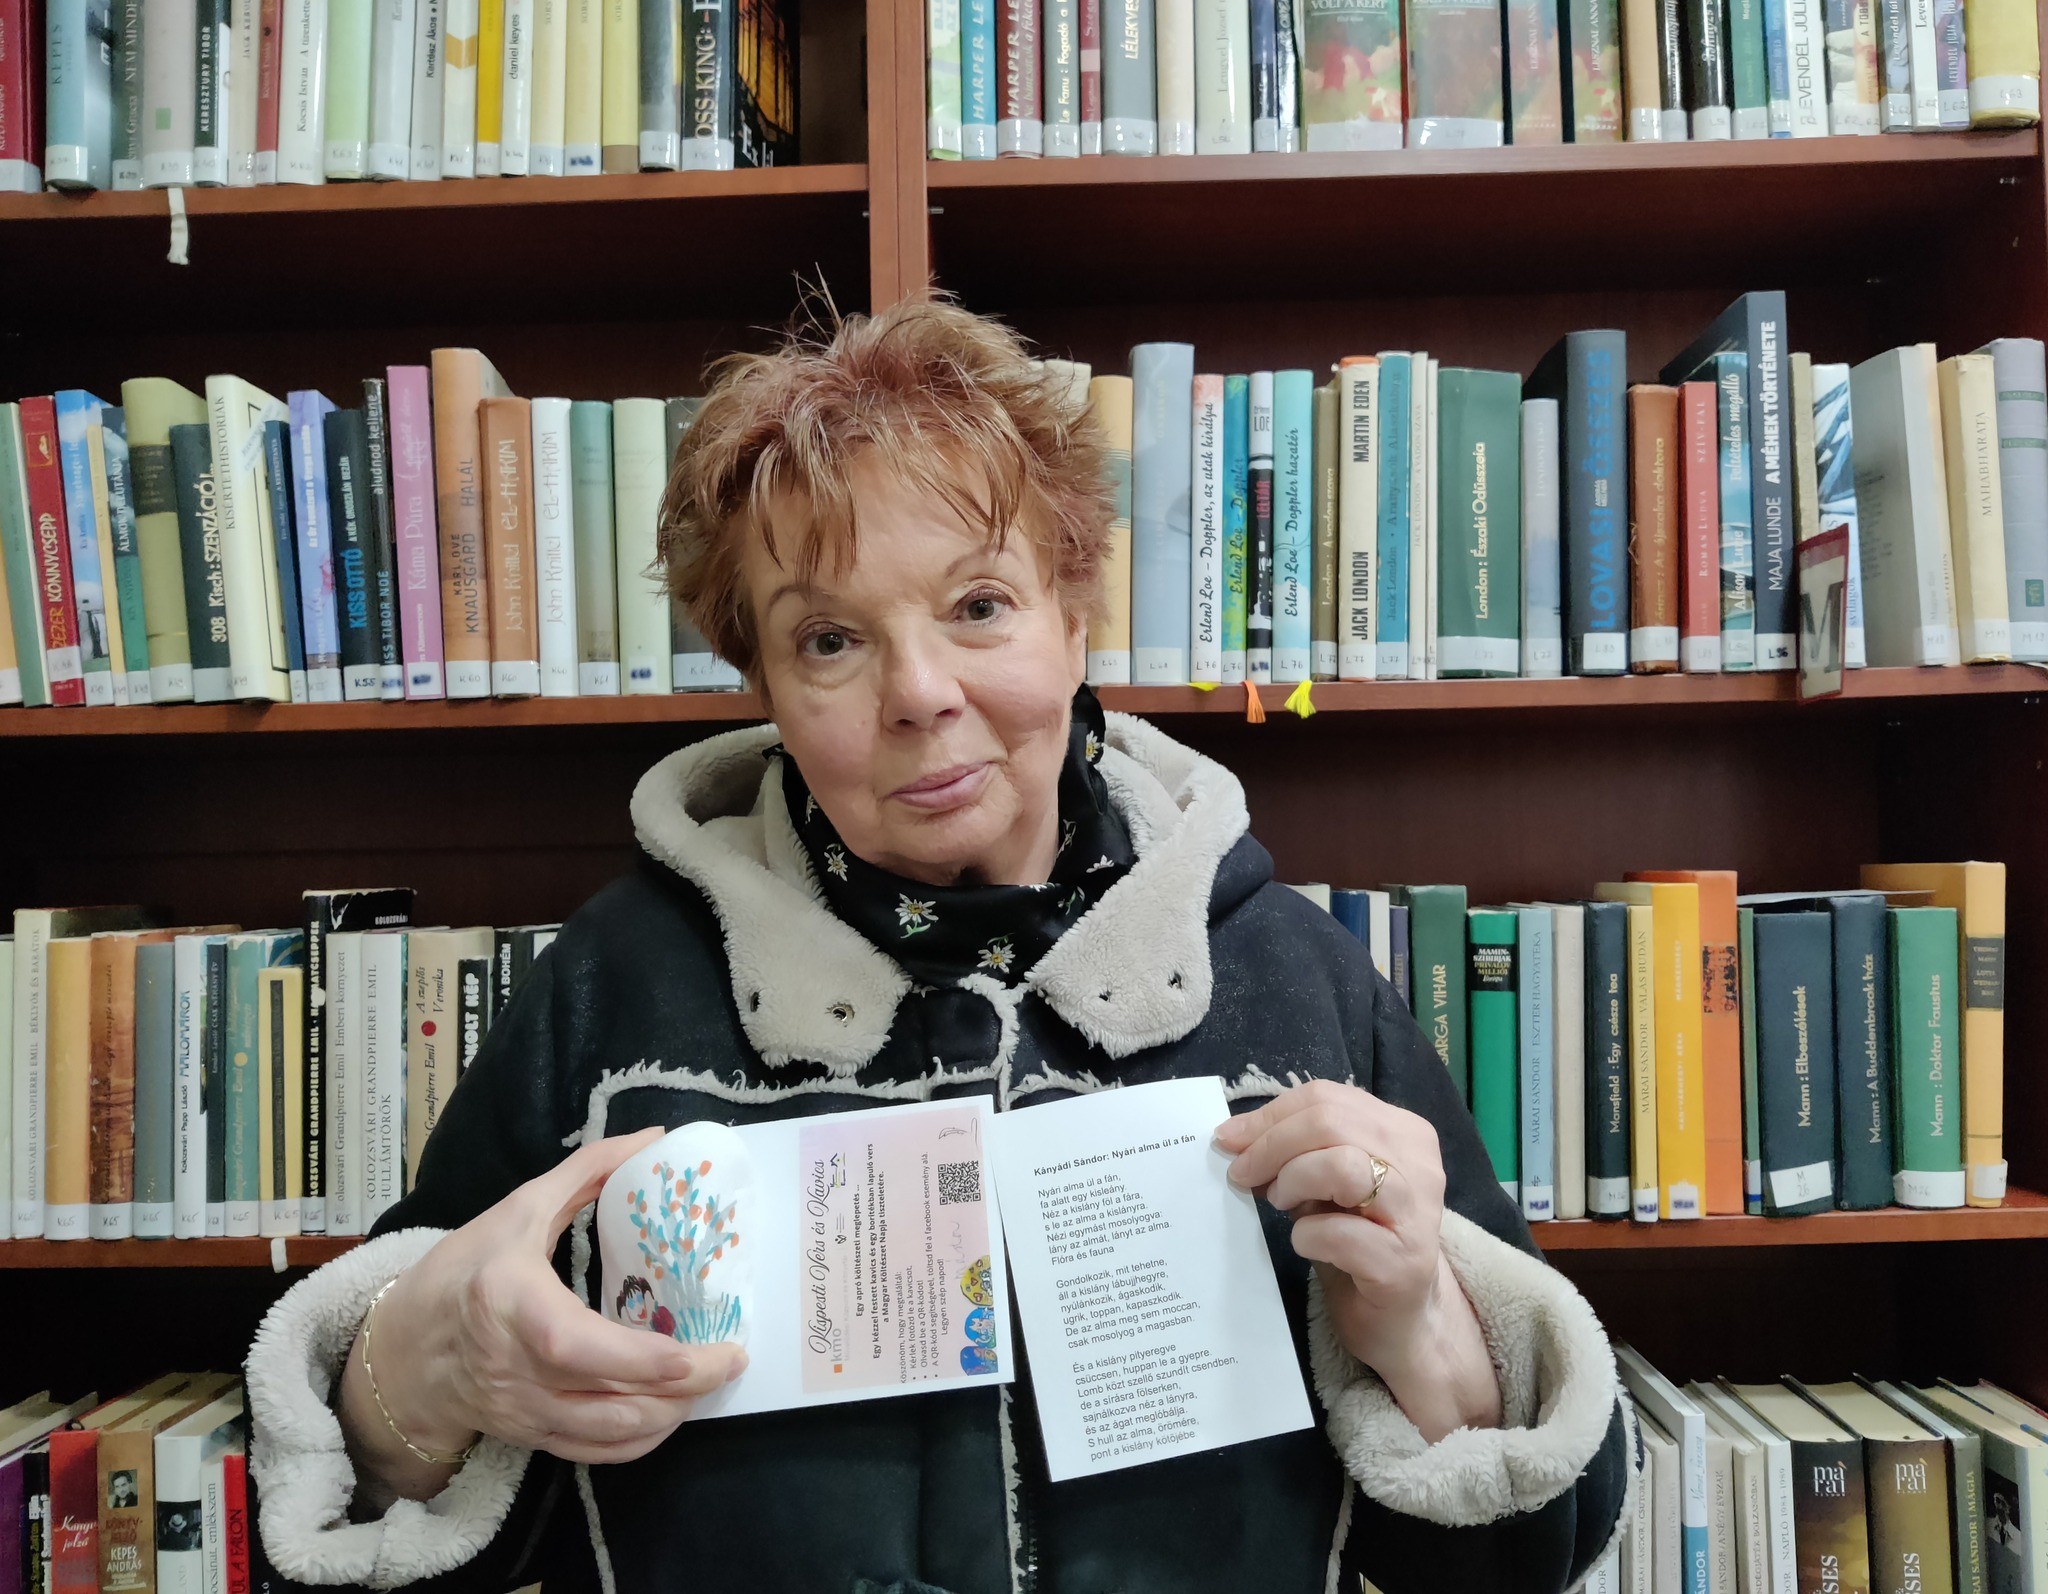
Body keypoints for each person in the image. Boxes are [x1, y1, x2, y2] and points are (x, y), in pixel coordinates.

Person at [244, 301, 1638, 1594]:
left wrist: (1424, 1328)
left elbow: (1526, 1558)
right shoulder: (613, 989)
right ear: (762, 681)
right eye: (830, 640)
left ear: (1075, 619)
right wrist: (426, 1373)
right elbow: (371, 1535)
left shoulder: (1297, 977)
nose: (919, 694)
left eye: (979, 606)